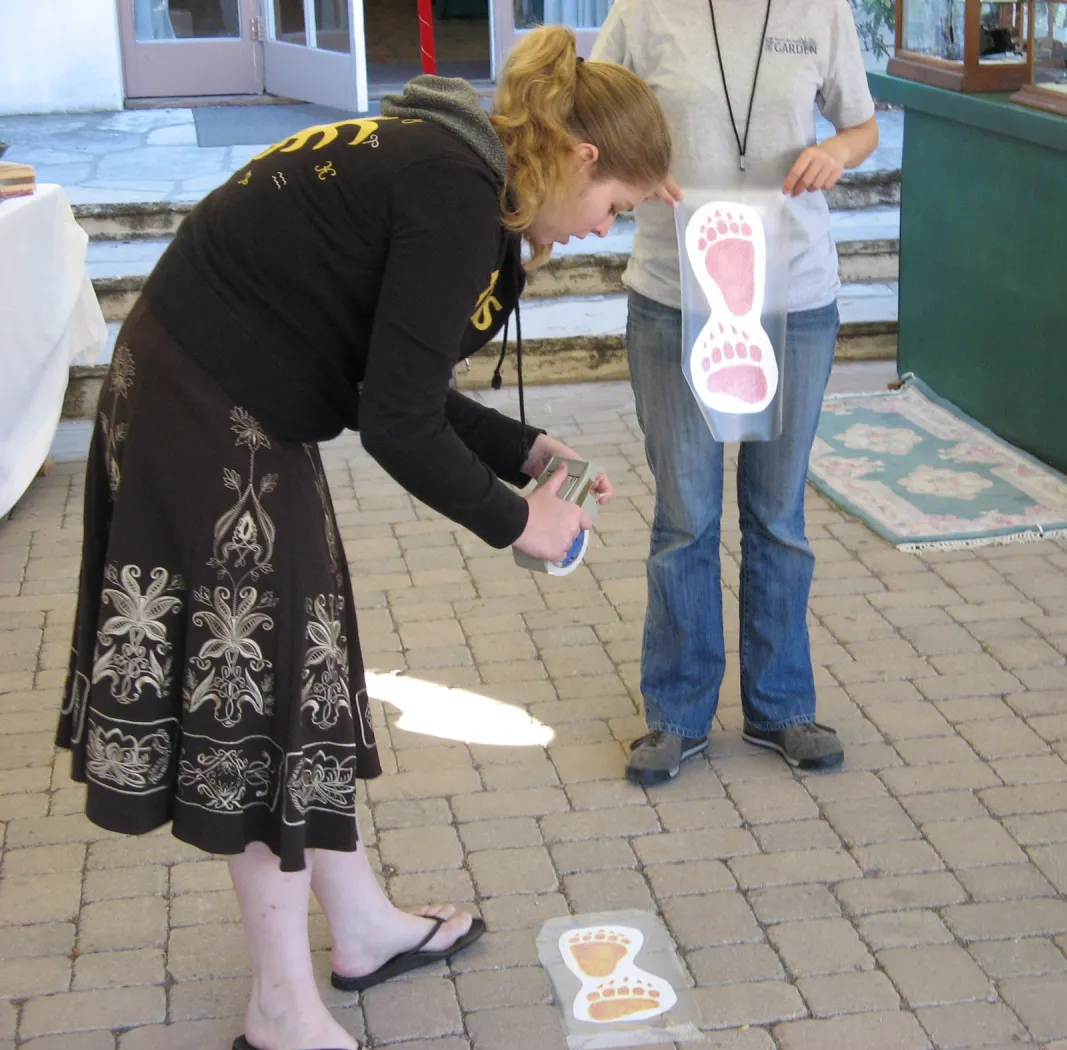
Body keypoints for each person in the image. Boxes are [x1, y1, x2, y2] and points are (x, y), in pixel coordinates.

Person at [57, 26, 670, 1050]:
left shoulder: (454, 169)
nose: (603, 230)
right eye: (616, 207)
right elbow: (396, 424)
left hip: (222, 390)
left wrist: (523, 451)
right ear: (580, 157)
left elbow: (388, 374)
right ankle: (279, 1009)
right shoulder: (456, 195)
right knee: (261, 697)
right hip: (202, 403)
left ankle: (363, 928)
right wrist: (521, 523)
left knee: (306, 669)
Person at [592, 0, 879, 784]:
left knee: (778, 516)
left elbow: (862, 127)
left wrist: (837, 152)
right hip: (673, 295)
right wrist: (629, 168)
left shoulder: (821, 10)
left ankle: (781, 706)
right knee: (684, 517)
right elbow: (586, 112)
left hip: (796, 295)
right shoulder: (643, 11)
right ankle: (678, 715)